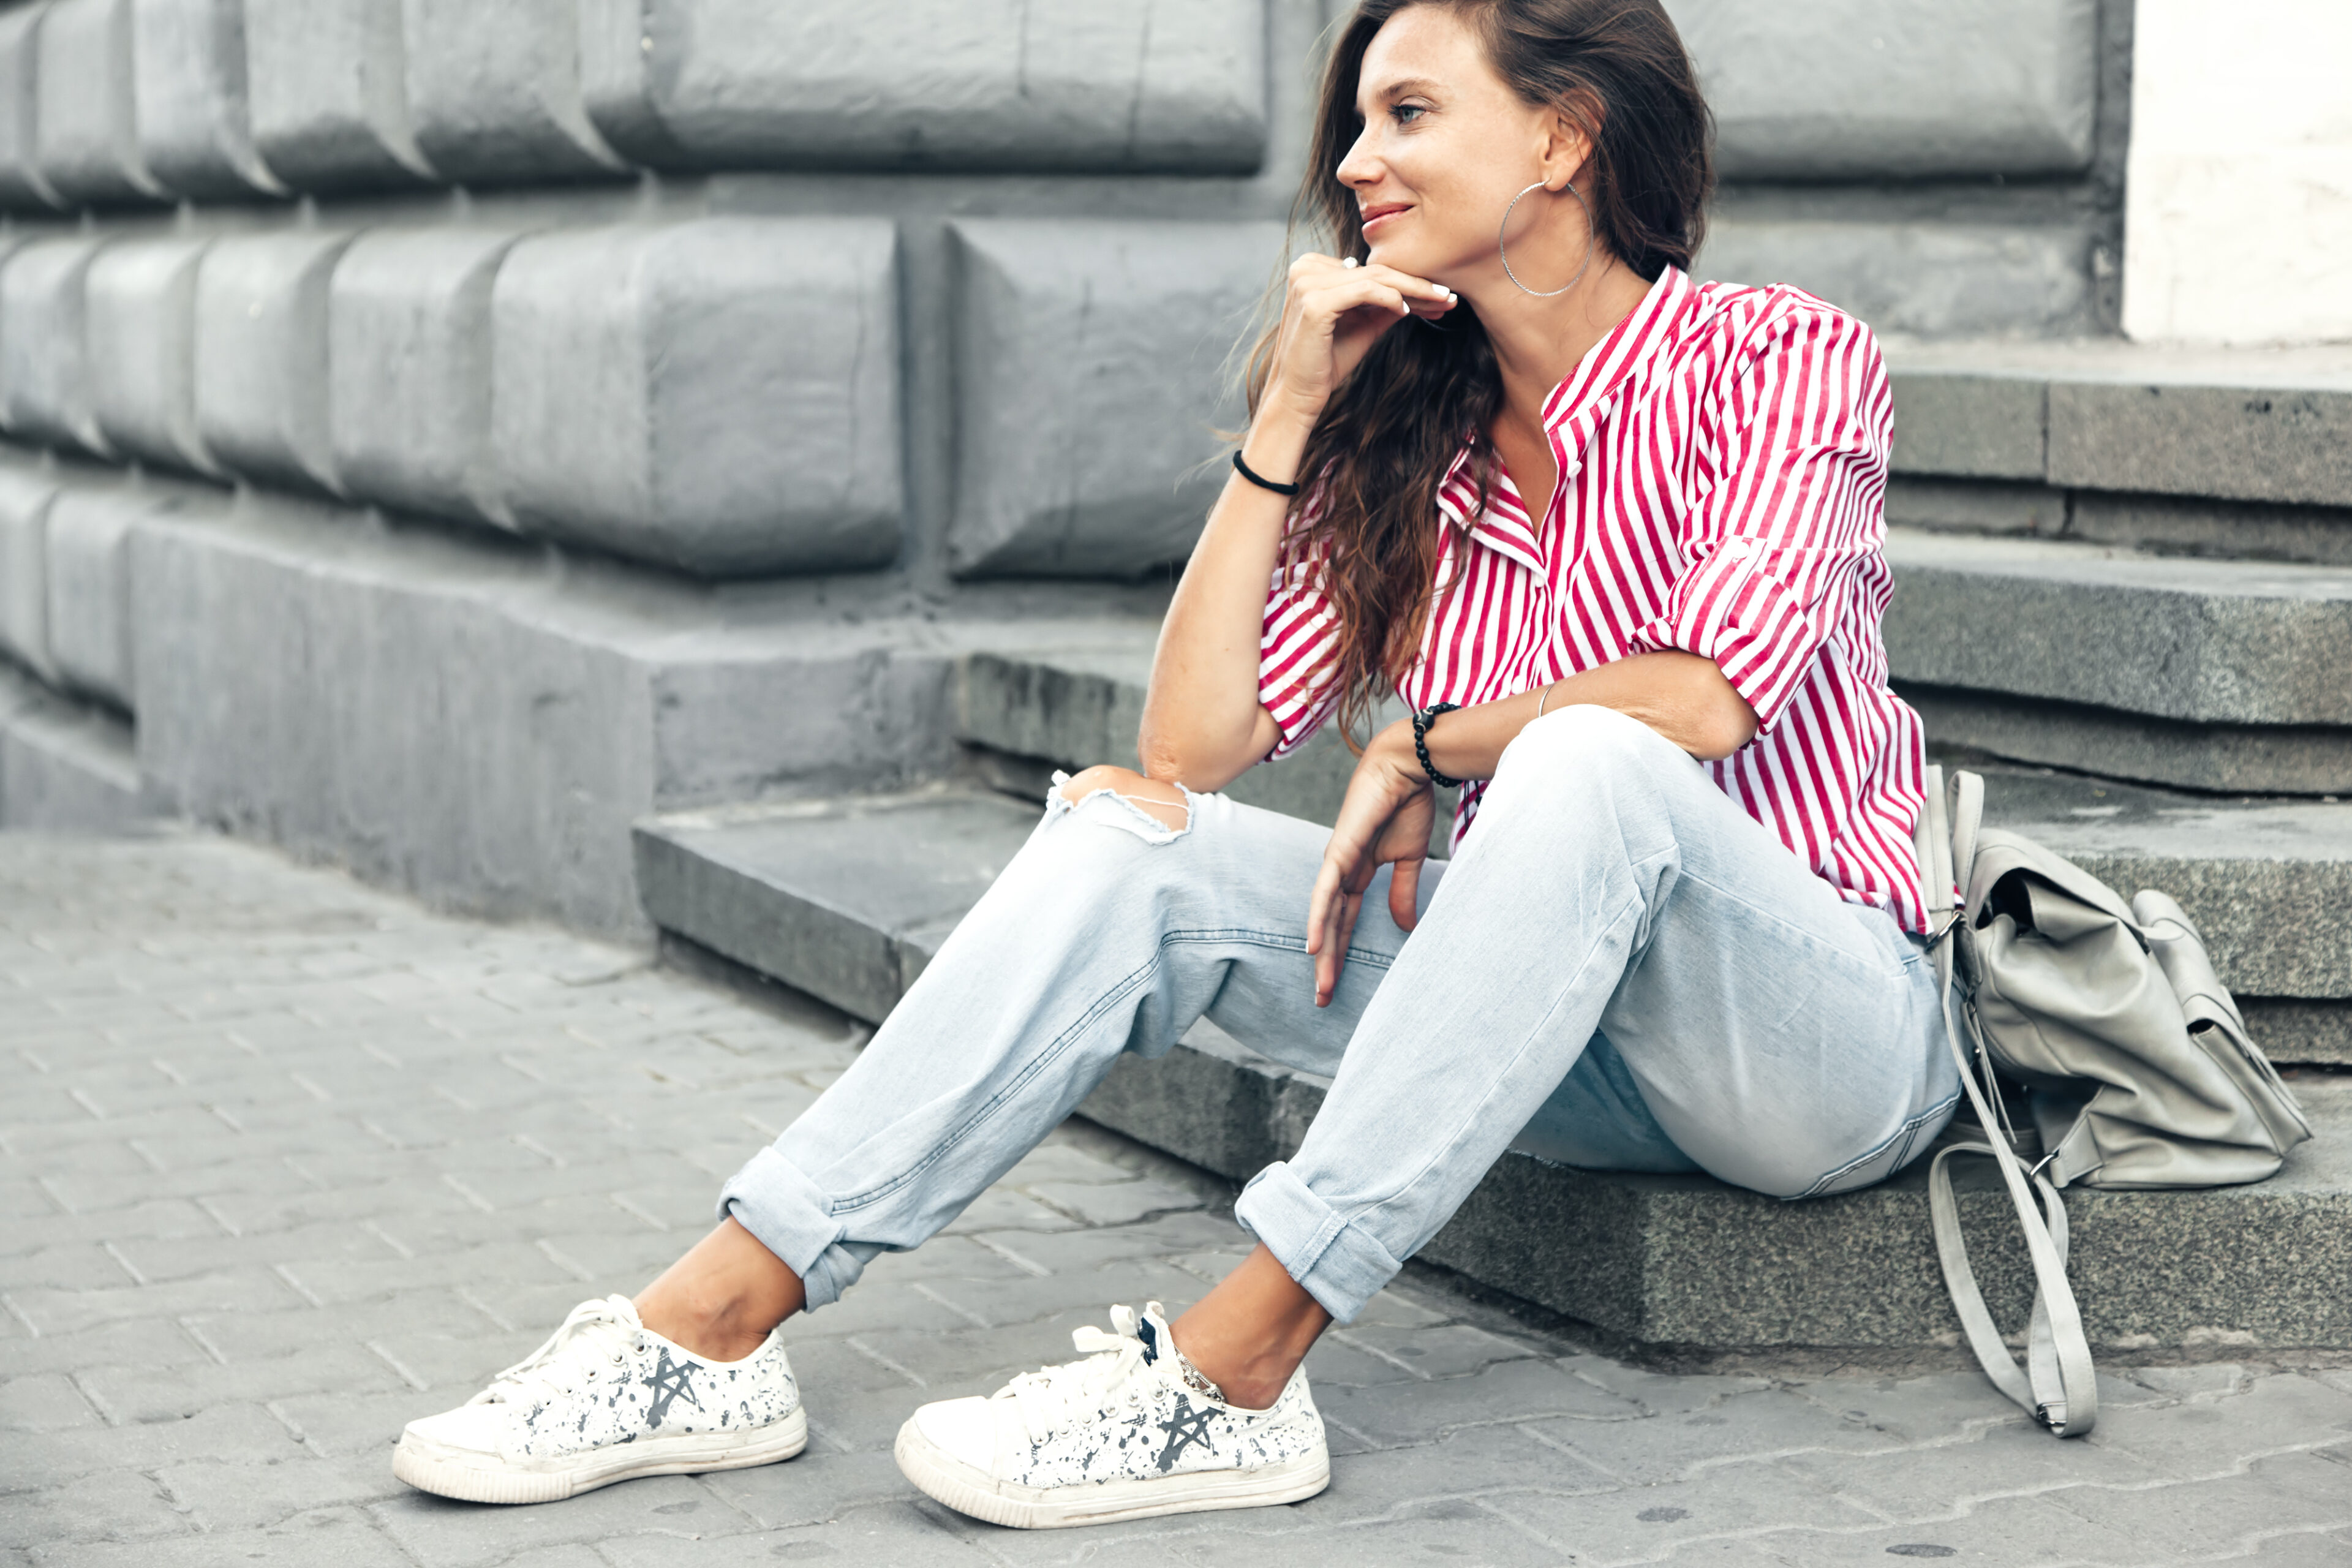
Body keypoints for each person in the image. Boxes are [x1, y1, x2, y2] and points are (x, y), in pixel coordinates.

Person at [391, 0, 1958, 1529]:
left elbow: (1704, 696)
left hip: (1817, 1040)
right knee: (1130, 840)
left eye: (1406, 113)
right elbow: (1191, 746)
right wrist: (1288, 413)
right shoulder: (1428, 435)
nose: (1355, 159)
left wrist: (1429, 738)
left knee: (1587, 768)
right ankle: (708, 1329)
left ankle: (1241, 1369)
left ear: (1562, 135)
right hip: (1560, 1030)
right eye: (1356, 120)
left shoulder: (1779, 357)